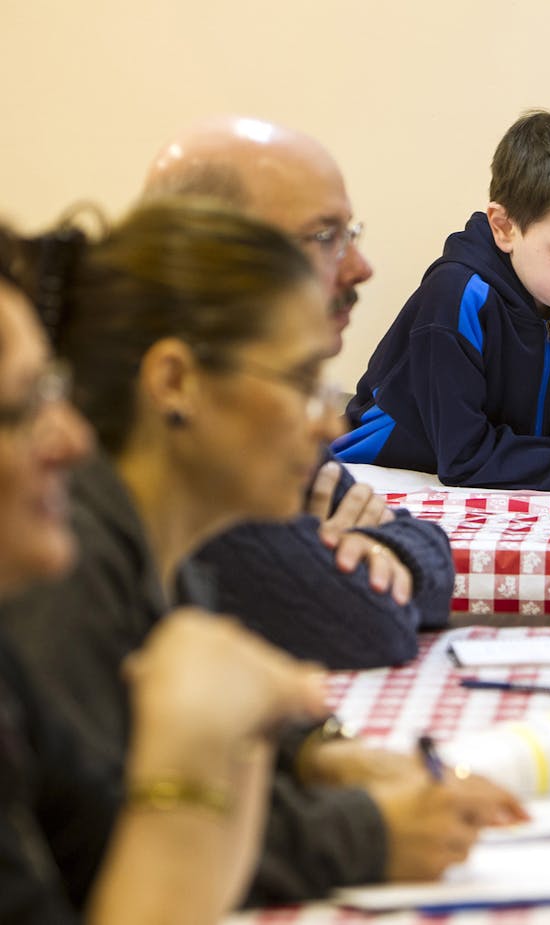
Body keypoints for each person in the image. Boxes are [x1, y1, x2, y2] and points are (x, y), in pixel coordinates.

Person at [0, 201, 525, 905]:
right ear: (175, 383)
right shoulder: (68, 569)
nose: (331, 420)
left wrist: (317, 753)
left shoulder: (163, 543)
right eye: (302, 381)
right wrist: (364, 832)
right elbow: (110, 848)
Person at [0, 223, 333, 924]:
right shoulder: (71, 580)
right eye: (26, 404)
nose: (72, 437)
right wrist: (192, 760)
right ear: (173, 380)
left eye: (54, 389)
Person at [141, 115, 455, 668]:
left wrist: (381, 549)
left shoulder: (259, 389)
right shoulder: (194, 418)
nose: (361, 268)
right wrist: (327, 549)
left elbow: (430, 559)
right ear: (213, 251)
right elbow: (371, 629)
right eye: (326, 237)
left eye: (350, 235)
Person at [334, 109, 550, 492]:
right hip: (377, 480)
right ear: (504, 228)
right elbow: (465, 460)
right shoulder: (456, 295)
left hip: (499, 487)